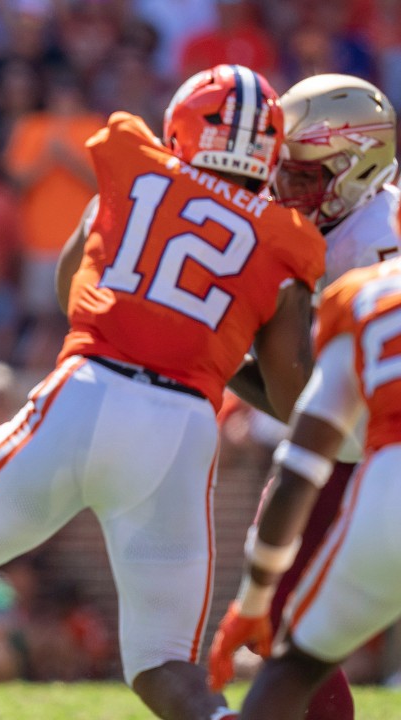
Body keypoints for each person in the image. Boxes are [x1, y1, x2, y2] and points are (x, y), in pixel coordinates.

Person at [0, 64, 326, 720]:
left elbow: (68, 286)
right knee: (163, 665)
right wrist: (212, 347)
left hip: (86, 391)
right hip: (181, 429)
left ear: (184, 125)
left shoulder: (133, 168)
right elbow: (291, 398)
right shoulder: (285, 239)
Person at [208, 73, 401, 719]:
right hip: (364, 445)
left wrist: (222, 353)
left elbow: (313, 410)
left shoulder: (359, 252)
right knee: (288, 617)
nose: (282, 189)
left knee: (289, 620)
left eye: (302, 174)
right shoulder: (360, 218)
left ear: (357, 168)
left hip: (369, 448)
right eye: (278, 171)